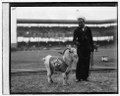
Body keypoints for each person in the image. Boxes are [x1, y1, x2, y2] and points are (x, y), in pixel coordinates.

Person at [73, 17, 94, 82]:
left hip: (87, 48)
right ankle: (78, 77)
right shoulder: (76, 30)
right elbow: (74, 40)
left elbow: (91, 39)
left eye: (81, 22)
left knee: (87, 62)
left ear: (84, 22)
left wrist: (92, 47)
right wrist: (77, 42)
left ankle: (85, 77)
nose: (79, 24)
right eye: (78, 22)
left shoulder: (88, 29)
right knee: (80, 62)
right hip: (80, 48)